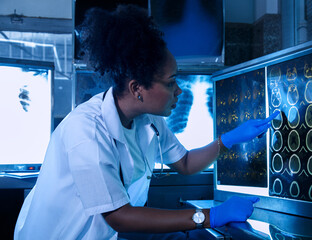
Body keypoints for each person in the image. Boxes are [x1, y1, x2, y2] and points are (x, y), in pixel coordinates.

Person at [14, 4, 279, 240]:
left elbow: (185, 163)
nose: (180, 91)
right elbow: (119, 216)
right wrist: (208, 217)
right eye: (171, 82)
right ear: (137, 88)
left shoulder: (148, 119)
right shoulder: (87, 131)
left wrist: (227, 140)